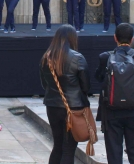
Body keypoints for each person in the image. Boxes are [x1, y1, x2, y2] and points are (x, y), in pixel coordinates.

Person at [95, 23, 134, 164]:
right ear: (132, 39)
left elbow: (98, 78)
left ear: (115, 38)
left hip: (111, 110)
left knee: (114, 151)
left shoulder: (105, 57)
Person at [40, 25, 90, 164]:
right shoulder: (78, 58)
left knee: (57, 146)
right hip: (73, 108)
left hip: (52, 105)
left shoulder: (46, 57)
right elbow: (86, 86)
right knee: (68, 149)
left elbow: (45, 84)